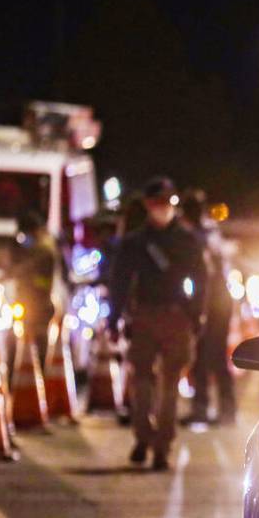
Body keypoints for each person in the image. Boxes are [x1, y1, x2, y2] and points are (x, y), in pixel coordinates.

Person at [106, 177, 206, 471]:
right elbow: (120, 283)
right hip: (146, 316)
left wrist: (196, 314)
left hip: (174, 317)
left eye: (167, 203)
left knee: (168, 385)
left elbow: (200, 282)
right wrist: (115, 317)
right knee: (143, 382)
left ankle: (160, 446)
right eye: (157, 203)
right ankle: (143, 438)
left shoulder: (186, 241)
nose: (163, 208)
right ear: (148, 206)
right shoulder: (136, 243)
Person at [179, 189, 236, 426]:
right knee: (203, 357)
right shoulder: (209, 232)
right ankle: (205, 408)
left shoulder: (200, 235)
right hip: (214, 301)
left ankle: (224, 410)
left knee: (213, 356)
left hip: (215, 302)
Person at [10, 210, 59, 364]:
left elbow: (35, 275)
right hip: (27, 304)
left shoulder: (44, 251)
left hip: (39, 305)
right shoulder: (29, 249)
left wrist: (22, 274)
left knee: (37, 346)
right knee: (22, 342)